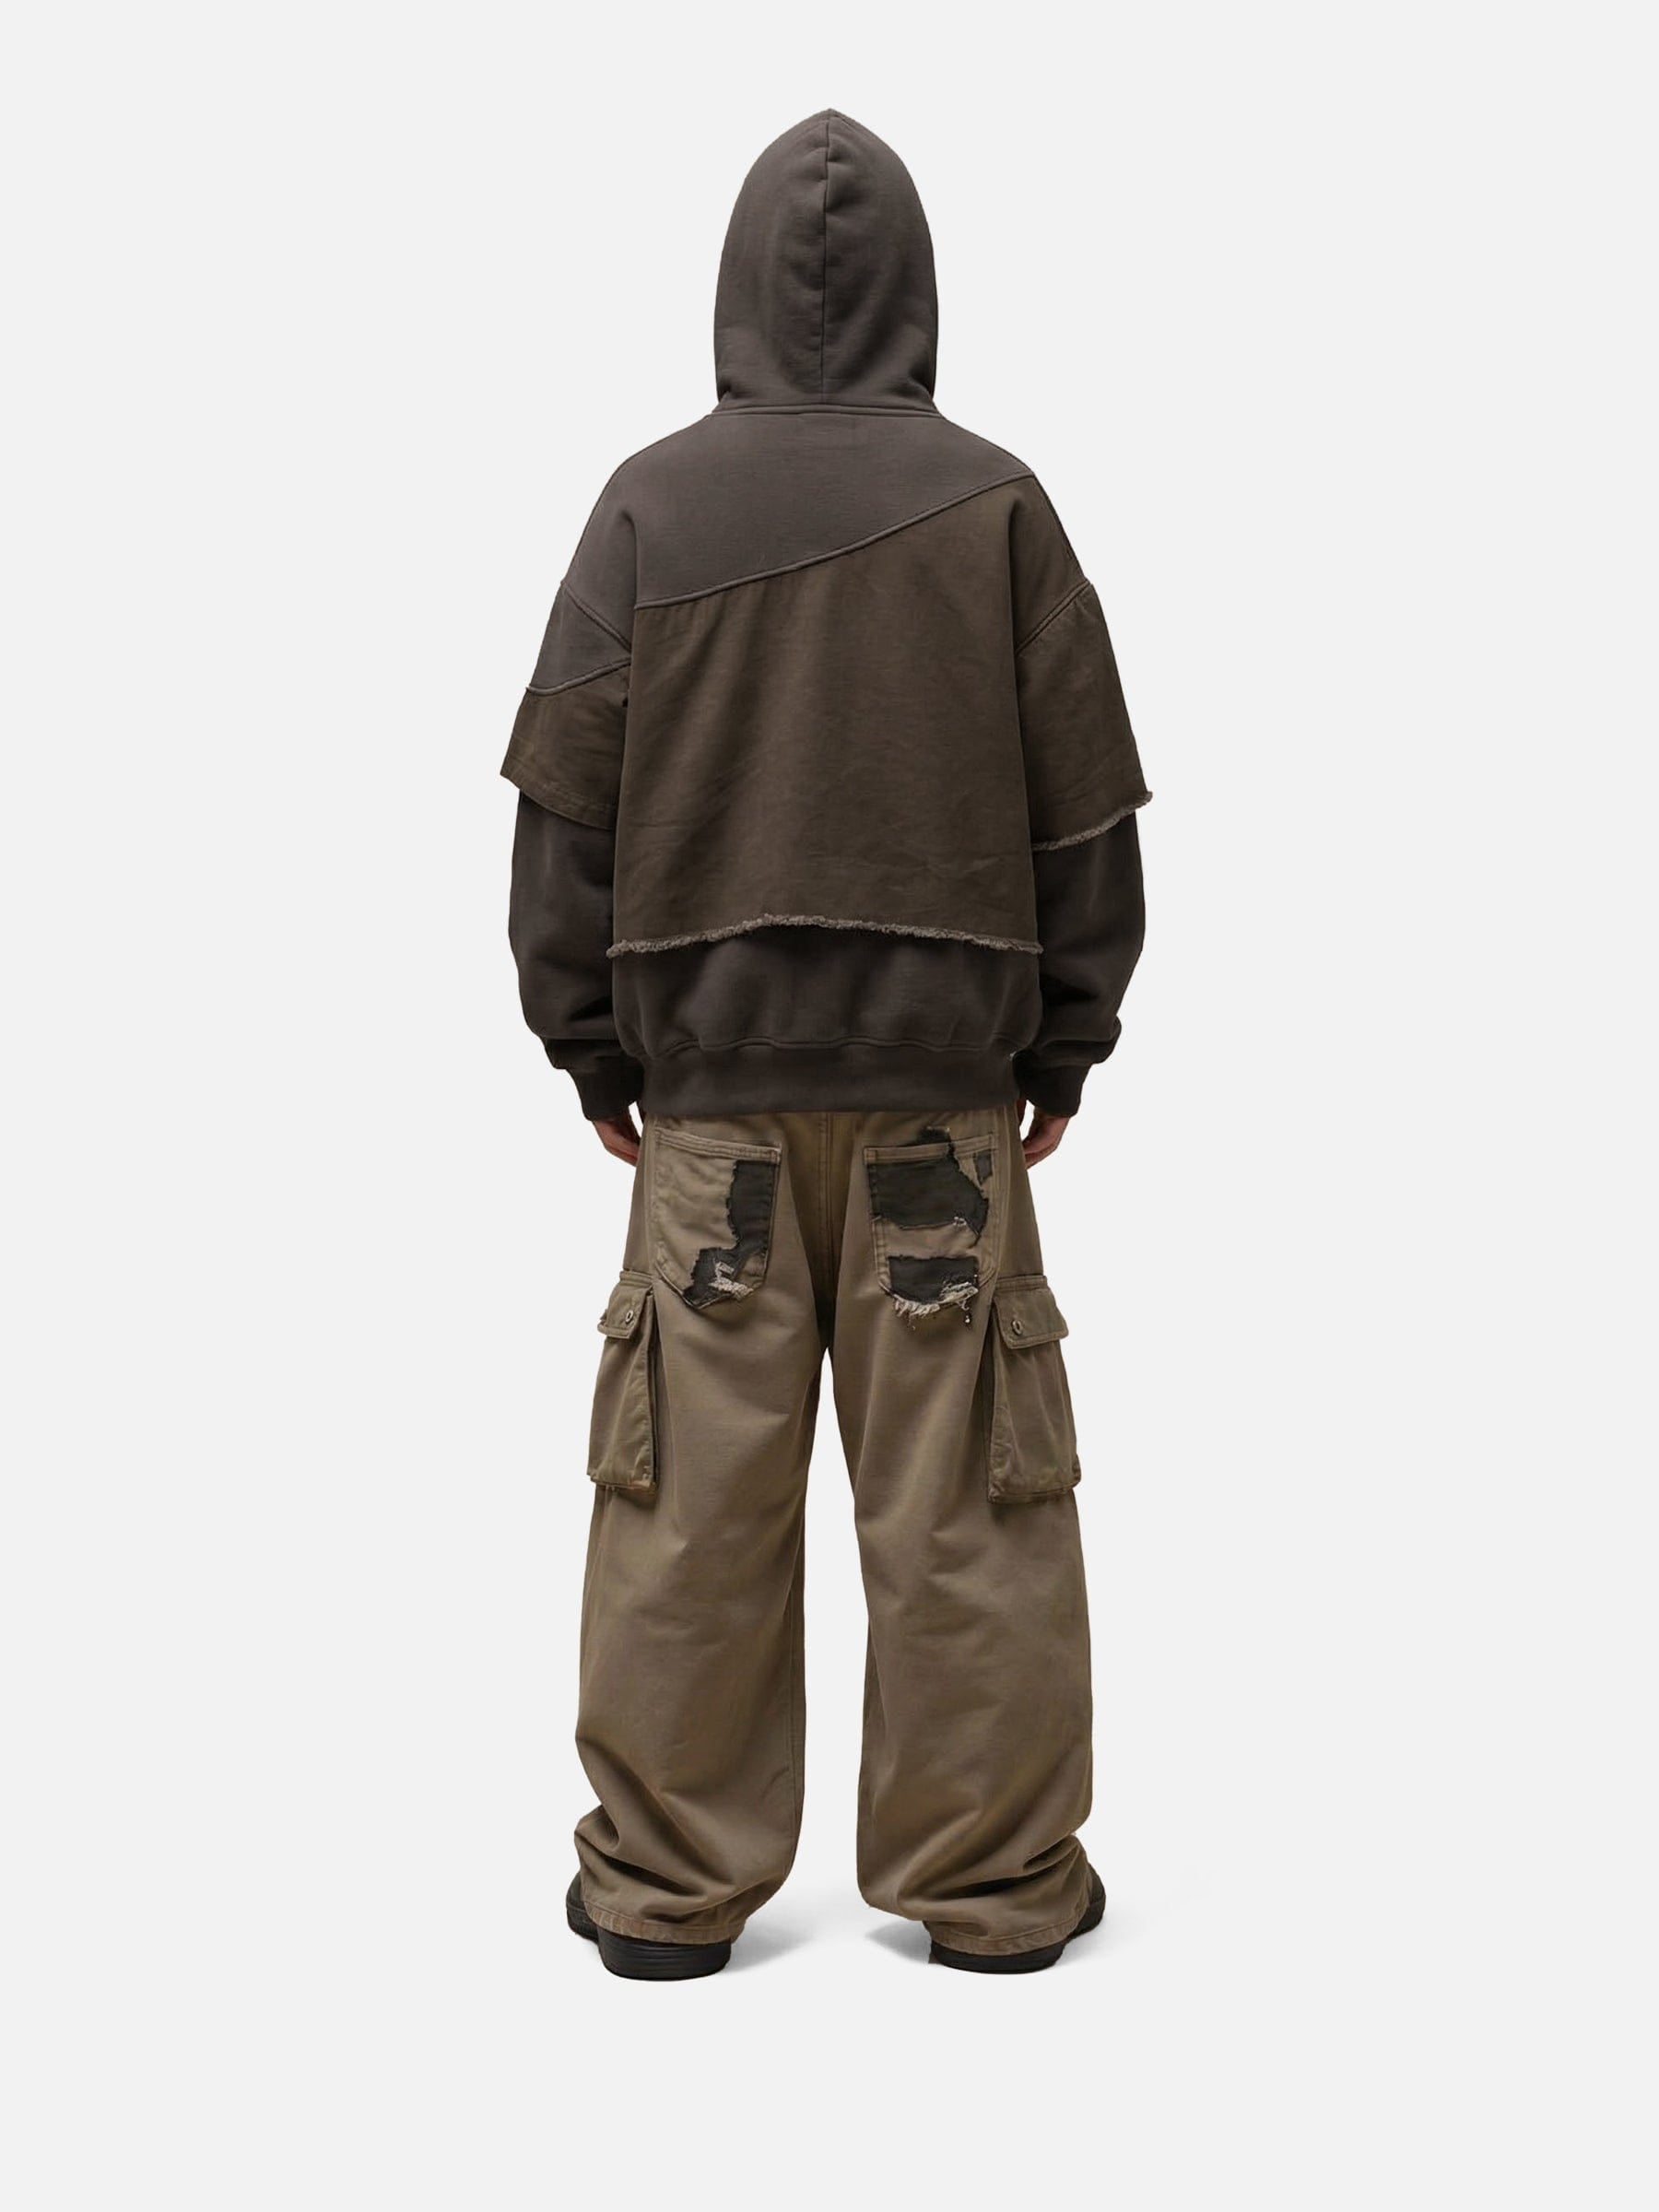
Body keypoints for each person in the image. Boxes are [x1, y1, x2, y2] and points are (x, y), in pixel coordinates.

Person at [503, 111, 1149, 1980]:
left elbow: (563, 811)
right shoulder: (999, 505)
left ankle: (662, 1895)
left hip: (710, 1127)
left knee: (686, 1511)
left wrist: (592, 1045)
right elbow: (1087, 815)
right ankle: (996, 1890)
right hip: (945, 1121)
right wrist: (1065, 1045)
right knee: (968, 1508)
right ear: (922, 291)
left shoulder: (649, 506)